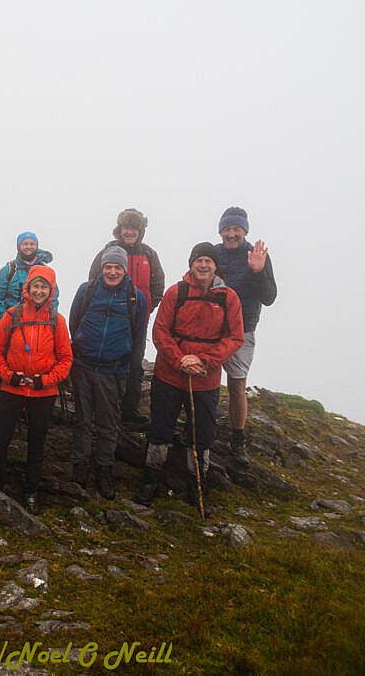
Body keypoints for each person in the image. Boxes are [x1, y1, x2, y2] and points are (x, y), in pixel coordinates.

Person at [135, 243, 244, 512]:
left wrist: (203, 360)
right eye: (199, 261)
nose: (203, 265)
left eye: (208, 260)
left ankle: (197, 482)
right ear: (191, 264)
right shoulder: (176, 292)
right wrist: (180, 360)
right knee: (160, 429)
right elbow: (161, 331)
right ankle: (151, 478)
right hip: (169, 375)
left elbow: (235, 337)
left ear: (215, 265)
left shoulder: (228, 297)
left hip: (205, 378)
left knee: (202, 435)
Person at [0, 265, 73, 514]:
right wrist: (9, 376)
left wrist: (43, 380)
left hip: (43, 393)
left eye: (43, 286)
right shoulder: (12, 315)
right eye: (35, 285)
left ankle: (31, 490)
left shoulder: (57, 321)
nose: (38, 290)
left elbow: (66, 359)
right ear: (27, 288)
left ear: (51, 290)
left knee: (37, 442)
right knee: (1, 437)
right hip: (11, 389)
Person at [69, 247, 148, 499]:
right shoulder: (87, 290)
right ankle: (79, 466)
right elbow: (74, 323)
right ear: (101, 268)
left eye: (117, 267)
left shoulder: (136, 298)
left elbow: (139, 338)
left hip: (113, 371)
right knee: (82, 420)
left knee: (108, 424)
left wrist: (131, 371)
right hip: (83, 366)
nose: (112, 271)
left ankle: (105, 469)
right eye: (108, 266)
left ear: (125, 270)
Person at [88, 208, 165, 425]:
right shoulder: (108, 252)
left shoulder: (150, 254)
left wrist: (146, 308)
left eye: (134, 228)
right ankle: (102, 407)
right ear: (119, 229)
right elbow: (93, 282)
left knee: (134, 362)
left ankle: (129, 410)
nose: (129, 232)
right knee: (108, 360)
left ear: (140, 230)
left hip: (138, 321)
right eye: (126, 227)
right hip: (109, 318)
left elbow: (158, 284)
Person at [216, 206, 277, 462]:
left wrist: (258, 271)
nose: (231, 234)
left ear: (244, 231)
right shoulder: (213, 253)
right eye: (227, 229)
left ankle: (238, 439)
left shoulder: (257, 255)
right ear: (221, 232)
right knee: (203, 376)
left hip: (243, 328)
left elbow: (269, 297)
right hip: (212, 326)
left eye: (236, 229)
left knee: (237, 383)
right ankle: (200, 427)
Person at [0, 231, 59, 319]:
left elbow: (53, 298)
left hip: (38, 322)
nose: (29, 247)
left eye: (32, 244)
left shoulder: (46, 271)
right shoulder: (9, 269)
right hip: (12, 320)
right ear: (18, 246)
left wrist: (51, 318)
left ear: (36, 246)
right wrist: (4, 316)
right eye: (25, 244)